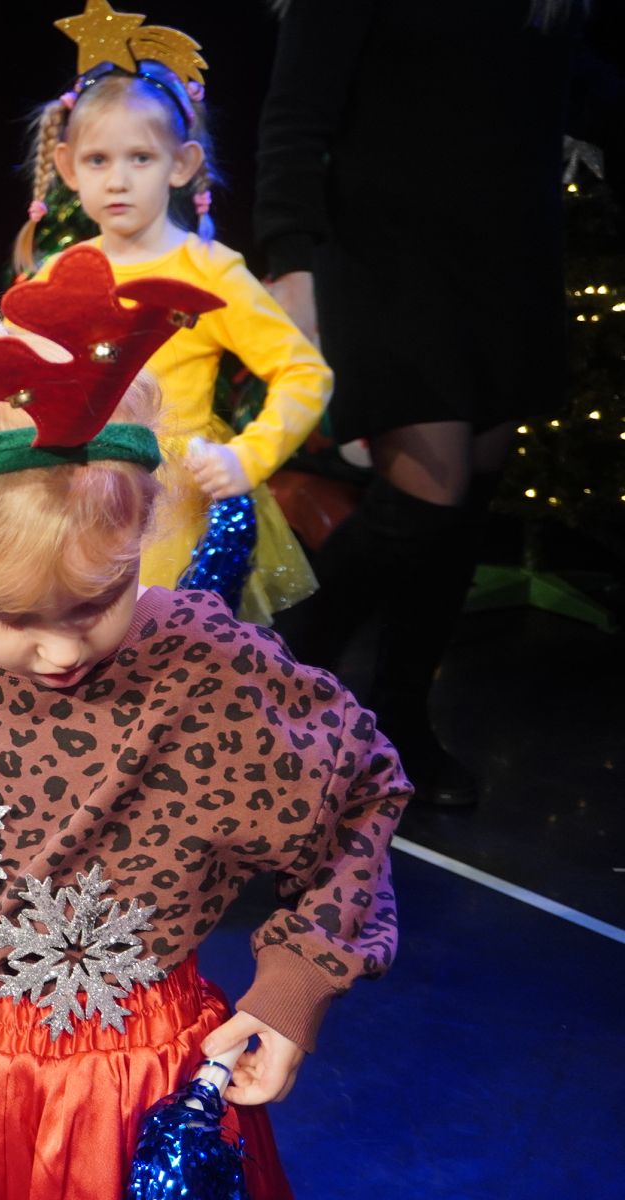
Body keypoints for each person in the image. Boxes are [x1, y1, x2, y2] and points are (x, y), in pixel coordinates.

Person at [0, 248, 404, 1200]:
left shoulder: (208, 673)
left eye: (94, 602)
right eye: (9, 615)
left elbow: (360, 799)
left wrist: (291, 992)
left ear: (141, 532)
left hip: (119, 1091)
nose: (59, 651)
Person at [254, 0, 580, 805]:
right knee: (425, 494)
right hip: (388, 255)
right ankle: (265, 699)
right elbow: (296, 113)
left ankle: (400, 718)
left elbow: (562, 85)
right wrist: (289, 258)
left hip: (506, 253)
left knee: (466, 498)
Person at [20, 5, 330, 624]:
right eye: (99, 161)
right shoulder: (60, 273)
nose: (118, 181)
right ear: (68, 169)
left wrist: (246, 457)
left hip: (170, 502)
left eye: (140, 157)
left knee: (156, 642)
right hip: (74, 497)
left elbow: (304, 373)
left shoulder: (208, 270)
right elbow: (21, 375)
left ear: (181, 165)